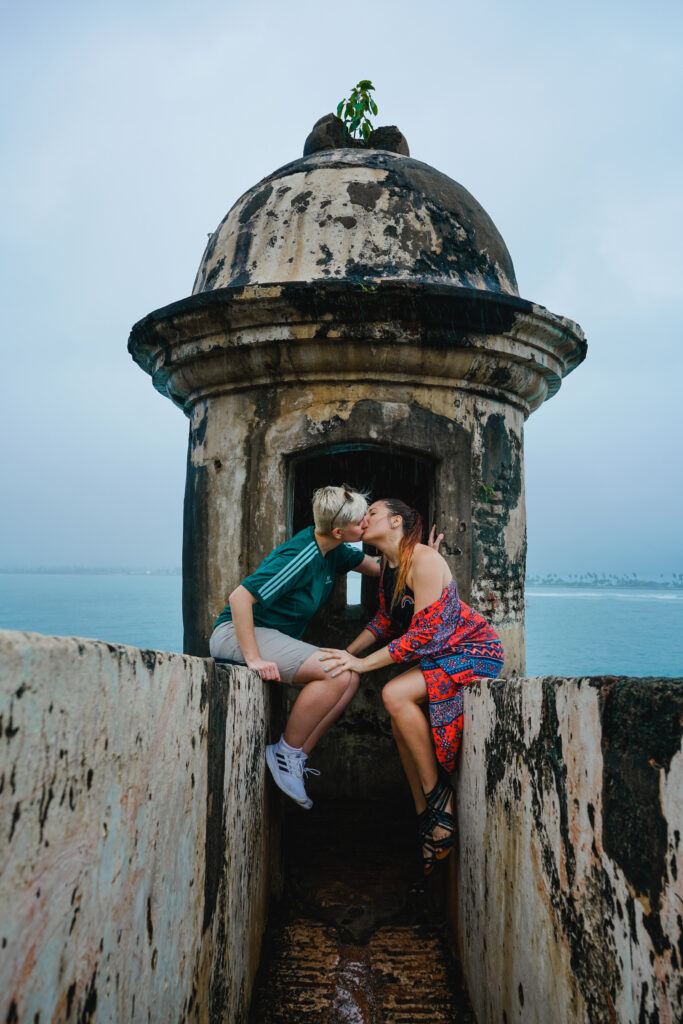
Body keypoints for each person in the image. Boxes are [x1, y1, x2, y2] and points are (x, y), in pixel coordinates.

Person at [319, 498, 504, 873]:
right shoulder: (391, 566)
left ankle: (440, 800)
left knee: (393, 693)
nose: (363, 517)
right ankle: (426, 815)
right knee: (397, 717)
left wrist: (361, 665)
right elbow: (385, 621)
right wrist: (344, 654)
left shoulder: (425, 560)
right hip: (439, 653)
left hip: (473, 649)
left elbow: (420, 637)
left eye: (371, 513)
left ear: (396, 521)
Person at [209, 484, 379, 810]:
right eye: (361, 522)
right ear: (339, 530)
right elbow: (240, 598)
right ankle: (284, 753)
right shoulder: (300, 556)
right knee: (336, 673)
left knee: (351, 678)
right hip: (237, 633)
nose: (366, 525)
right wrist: (254, 658)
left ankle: (295, 756)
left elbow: (377, 567)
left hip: (267, 632)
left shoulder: (334, 549)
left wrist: (418, 552)